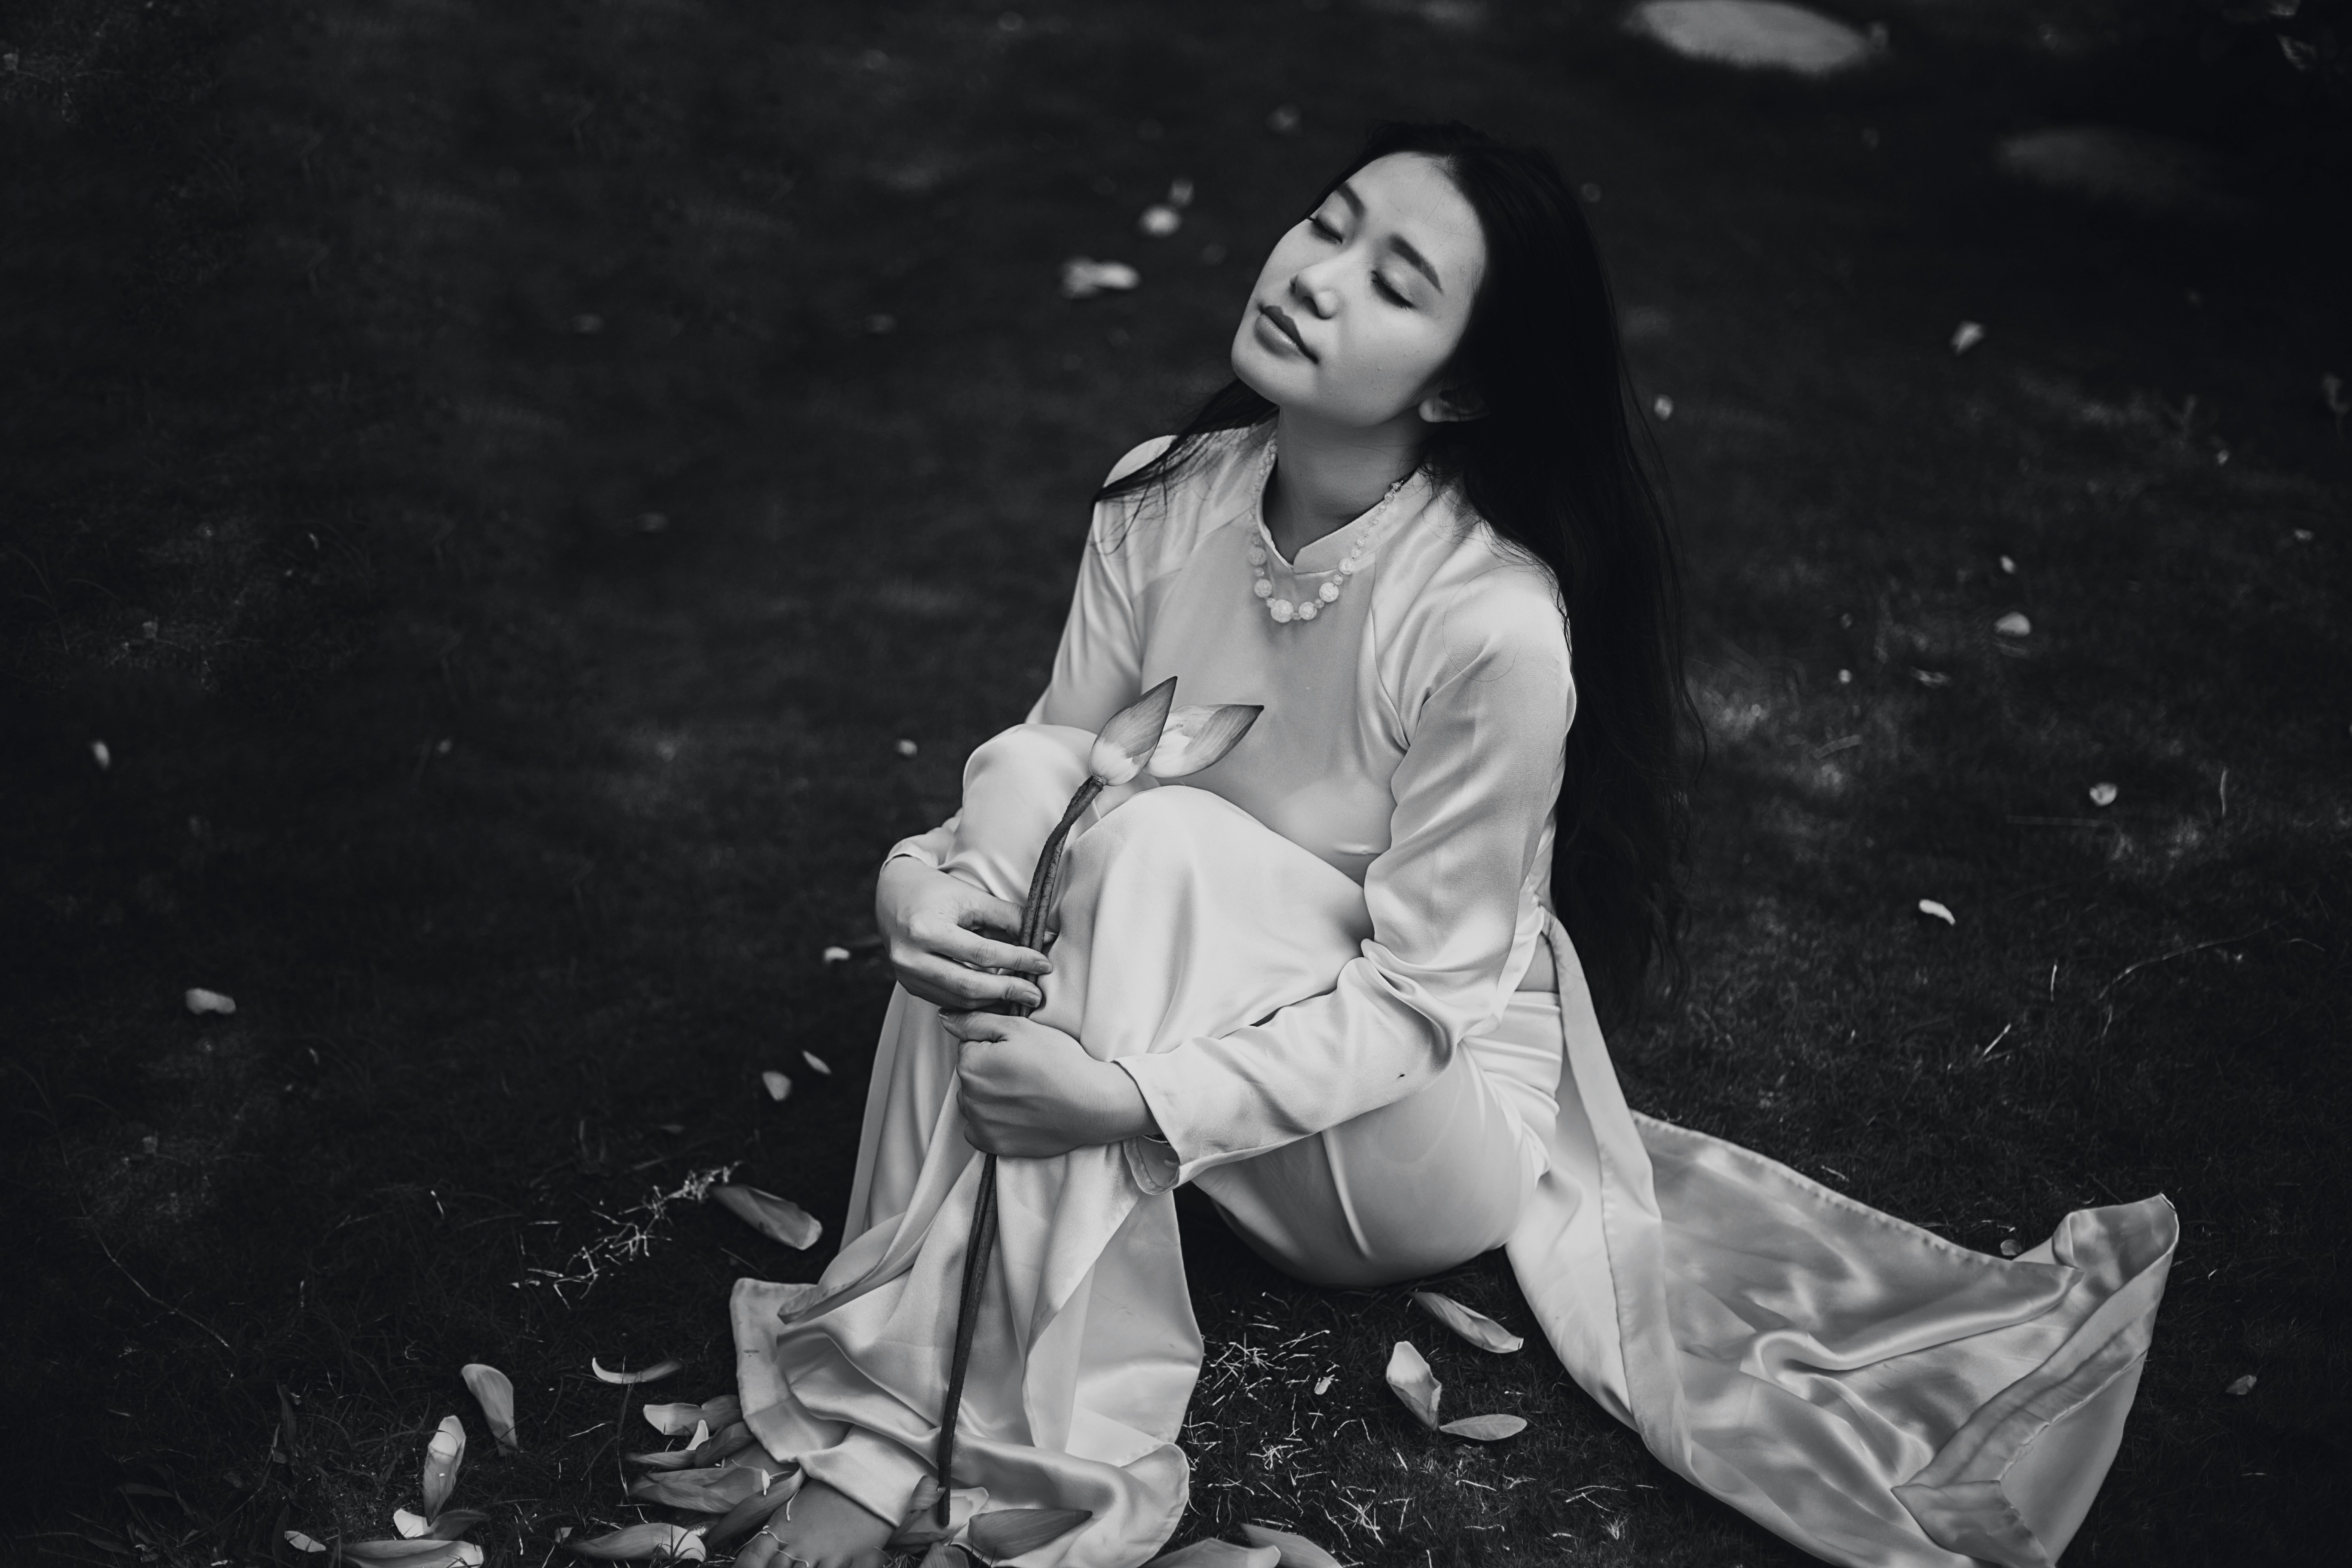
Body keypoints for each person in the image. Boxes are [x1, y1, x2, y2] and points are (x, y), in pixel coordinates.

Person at [730, 123, 2176, 1568]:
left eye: (1396, 279)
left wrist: (1127, 1104)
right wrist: (914, 886)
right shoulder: (1165, 492)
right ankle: (898, 1404)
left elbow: (1421, 1006)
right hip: (1179, 998)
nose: (1317, 275)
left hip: (1408, 1144)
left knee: (1153, 840)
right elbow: (1038, 782)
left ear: (1467, 380)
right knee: (1050, 784)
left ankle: (965, 1450)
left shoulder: (1489, 625)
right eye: (1329, 223)